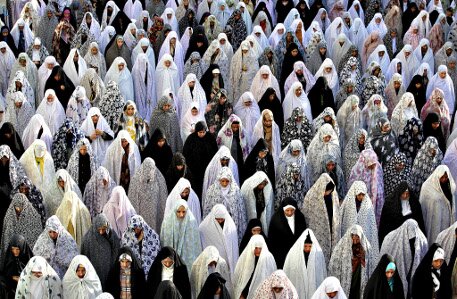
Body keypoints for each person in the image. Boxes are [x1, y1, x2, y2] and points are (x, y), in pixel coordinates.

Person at [380, 219, 428, 298]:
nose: (411, 241)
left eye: (413, 239)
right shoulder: (391, 238)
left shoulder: (422, 240)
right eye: (409, 238)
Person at [328, 225, 378, 299]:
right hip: (346, 276)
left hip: (359, 276)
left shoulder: (366, 247)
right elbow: (335, 263)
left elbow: (371, 264)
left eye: (357, 238)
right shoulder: (342, 246)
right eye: (353, 238)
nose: (354, 241)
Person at [203, 167, 247, 239]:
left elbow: (240, 209)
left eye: (227, 181)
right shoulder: (212, 190)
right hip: (217, 221)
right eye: (222, 181)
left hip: (231, 221)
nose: (224, 183)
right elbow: (208, 207)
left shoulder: (236, 190)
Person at [283, 229, 327, 298]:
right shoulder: (294, 253)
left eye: (310, 246)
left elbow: (320, 274)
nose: (307, 249)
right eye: (305, 246)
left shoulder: (318, 253)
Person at [81, 213, 120, 290]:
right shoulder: (88, 238)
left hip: (109, 270)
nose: (101, 232)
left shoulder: (110, 234)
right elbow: (84, 255)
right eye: (99, 229)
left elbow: (116, 248)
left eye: (103, 229)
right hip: (94, 272)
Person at [420, 165, 456, 243]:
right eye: (442, 177)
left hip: (446, 220)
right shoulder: (427, 187)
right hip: (432, 220)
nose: (444, 179)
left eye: (446, 177)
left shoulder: (449, 186)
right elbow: (423, 206)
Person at [233, 235, 277, 299]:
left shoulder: (268, 258)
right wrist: (240, 294)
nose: (258, 250)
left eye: (260, 248)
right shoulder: (246, 258)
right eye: (256, 248)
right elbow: (239, 278)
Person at [347, 149, 384, 225]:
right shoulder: (358, 170)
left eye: (374, 163)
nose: (373, 166)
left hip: (376, 201)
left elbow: (380, 184)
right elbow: (353, 188)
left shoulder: (377, 167)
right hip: (360, 201)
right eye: (371, 164)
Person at [199, 204, 239, 274]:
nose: (220, 221)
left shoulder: (231, 226)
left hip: (227, 258)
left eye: (222, 219)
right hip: (214, 261)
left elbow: (233, 246)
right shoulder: (204, 227)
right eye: (218, 219)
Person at [268, 197, 307, 269]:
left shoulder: (300, 217)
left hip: (297, 254)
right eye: (287, 210)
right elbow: (272, 240)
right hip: (281, 255)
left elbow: (304, 235)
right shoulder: (276, 219)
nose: (290, 213)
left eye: (292, 210)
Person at [183, 121, 218, 198]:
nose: (202, 134)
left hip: (207, 169)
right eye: (200, 132)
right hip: (194, 171)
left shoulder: (210, 138)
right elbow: (185, 154)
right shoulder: (191, 139)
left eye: (203, 132)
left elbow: (215, 153)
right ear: (196, 131)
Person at [0, 194, 42, 258]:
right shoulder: (9, 218)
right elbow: (7, 238)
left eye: (21, 206)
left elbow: (36, 238)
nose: (18, 209)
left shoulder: (34, 217)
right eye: (16, 206)